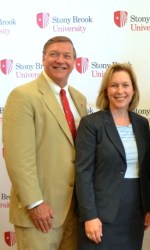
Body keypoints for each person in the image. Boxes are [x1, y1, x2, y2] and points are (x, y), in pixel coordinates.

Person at [2, 36, 88, 250]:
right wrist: (35, 203)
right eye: (54, 54)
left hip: (75, 211)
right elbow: (18, 158)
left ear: (75, 62)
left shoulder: (79, 99)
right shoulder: (23, 96)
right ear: (43, 58)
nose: (60, 60)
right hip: (40, 214)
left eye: (67, 56)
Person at [74, 63, 150, 250]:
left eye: (125, 85)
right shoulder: (91, 124)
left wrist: (148, 206)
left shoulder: (142, 124)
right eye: (114, 85)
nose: (120, 91)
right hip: (101, 215)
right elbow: (83, 172)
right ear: (106, 90)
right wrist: (90, 215)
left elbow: (147, 169)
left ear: (133, 90)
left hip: (134, 213)